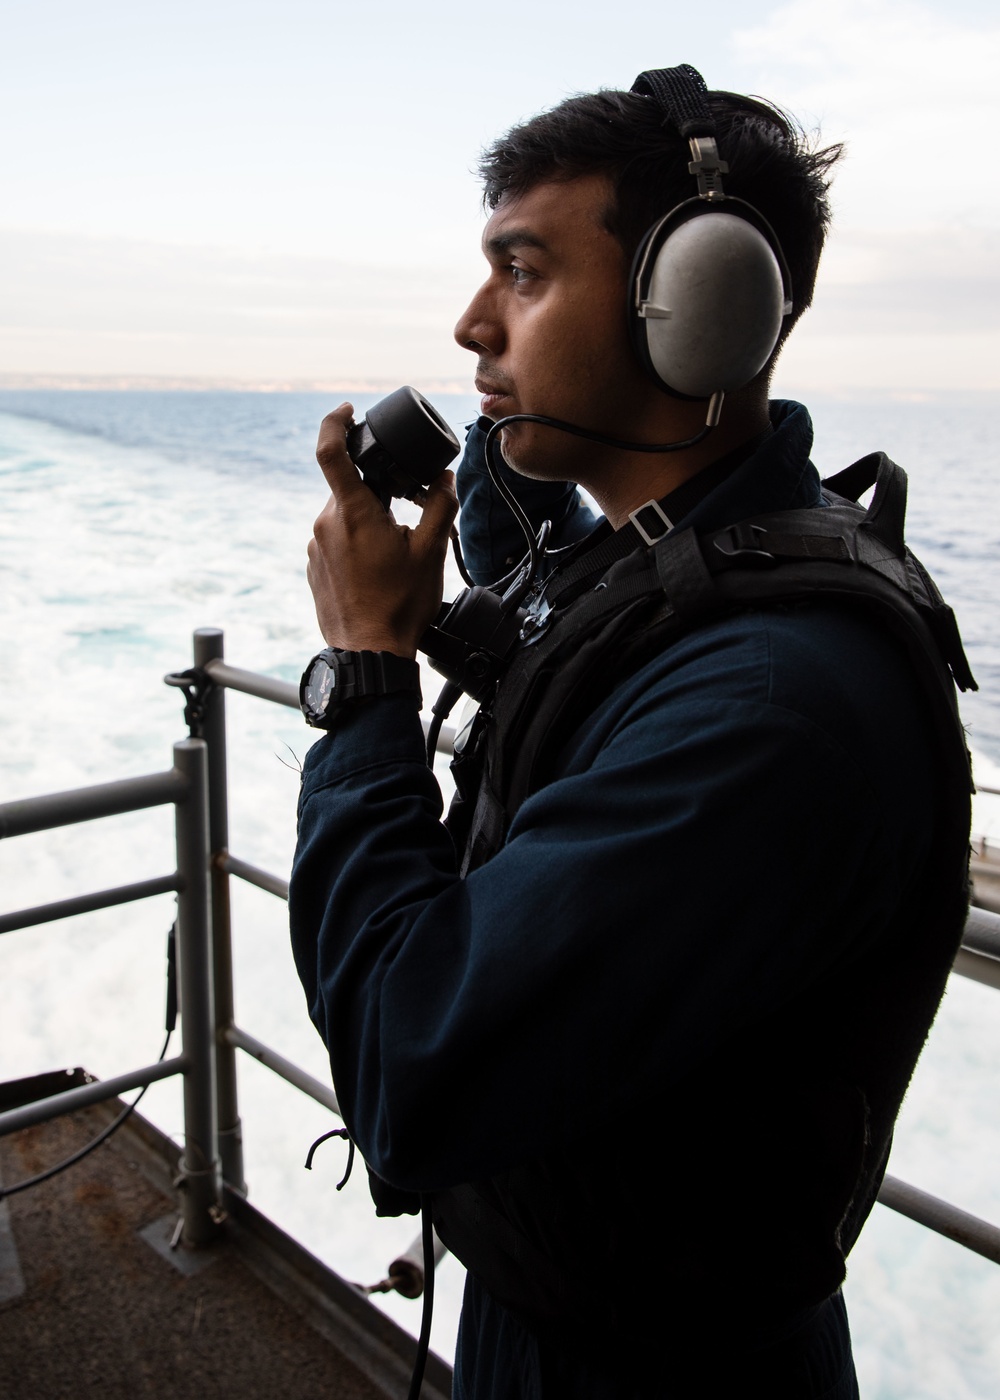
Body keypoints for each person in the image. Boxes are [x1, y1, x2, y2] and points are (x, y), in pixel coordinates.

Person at [289, 67, 972, 1399]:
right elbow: (556, 608)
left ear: (697, 303)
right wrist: (469, 511)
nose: (471, 324)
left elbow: (409, 1065)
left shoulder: (777, 705)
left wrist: (367, 671)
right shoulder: (669, 558)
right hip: (558, 1304)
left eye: (525, 273)